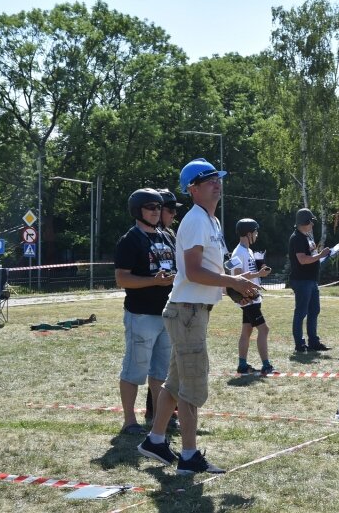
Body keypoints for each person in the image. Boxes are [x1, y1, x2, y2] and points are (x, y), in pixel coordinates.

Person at [138, 158, 260, 475]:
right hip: (187, 311)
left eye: (217, 178)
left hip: (192, 311)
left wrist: (239, 281)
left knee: (176, 383)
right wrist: (232, 282)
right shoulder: (194, 220)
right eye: (208, 180)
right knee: (192, 385)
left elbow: (215, 268)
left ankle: (155, 440)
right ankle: (189, 457)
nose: (216, 183)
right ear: (193, 189)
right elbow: (192, 271)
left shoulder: (213, 222)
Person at [115, 189, 176, 435]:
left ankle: (159, 418)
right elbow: (122, 279)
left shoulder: (167, 236)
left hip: (167, 314)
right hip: (141, 315)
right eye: (150, 206)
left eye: (158, 207)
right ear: (137, 210)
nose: (155, 211)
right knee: (135, 369)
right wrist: (154, 281)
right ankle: (130, 421)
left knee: (161, 372)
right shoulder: (130, 239)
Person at [144, 188, 182, 423]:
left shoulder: (169, 235)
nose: (172, 216)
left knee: (168, 363)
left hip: (173, 304)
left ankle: (165, 409)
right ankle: (156, 412)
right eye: (170, 211)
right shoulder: (150, 235)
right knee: (160, 366)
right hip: (151, 310)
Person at [228, 218, 275, 375]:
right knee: (264, 329)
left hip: (253, 296)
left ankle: (242, 365)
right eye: (255, 232)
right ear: (248, 234)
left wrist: (260, 271)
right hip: (247, 298)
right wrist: (258, 274)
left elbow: (248, 272)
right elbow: (236, 276)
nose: (257, 235)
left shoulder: (248, 251)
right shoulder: (237, 252)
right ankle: (266, 365)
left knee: (247, 331)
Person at [288, 207, 330, 353]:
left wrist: (323, 257)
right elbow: (303, 260)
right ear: (304, 222)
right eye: (310, 222)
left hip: (311, 280)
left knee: (314, 310)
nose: (312, 225)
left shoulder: (307, 236)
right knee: (301, 312)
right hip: (302, 281)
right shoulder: (297, 238)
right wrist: (321, 255)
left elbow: (312, 258)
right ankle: (299, 344)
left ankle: (313, 342)